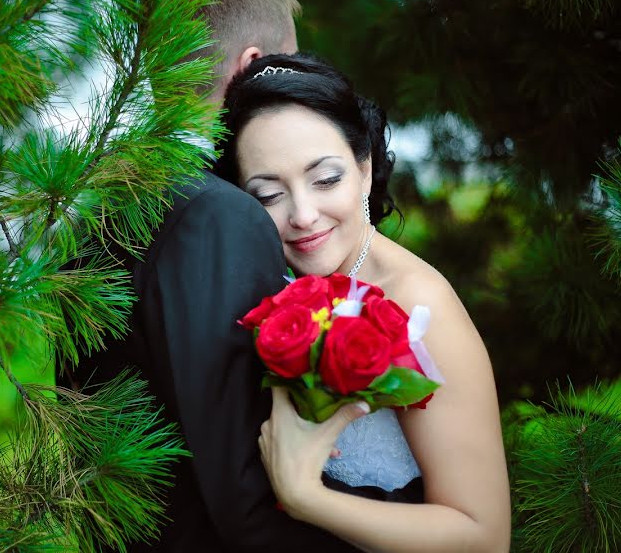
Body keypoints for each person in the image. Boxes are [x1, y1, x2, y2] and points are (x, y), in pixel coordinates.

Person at [64, 0, 363, 551]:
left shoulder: (103, 208)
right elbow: (243, 491)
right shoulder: (218, 214)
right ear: (253, 67)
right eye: (289, 62)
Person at [215, 52, 512, 552]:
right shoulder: (269, 281)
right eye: (268, 195)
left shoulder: (420, 307)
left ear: (365, 168)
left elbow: (484, 538)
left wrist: (305, 495)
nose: (303, 215)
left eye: (326, 179)